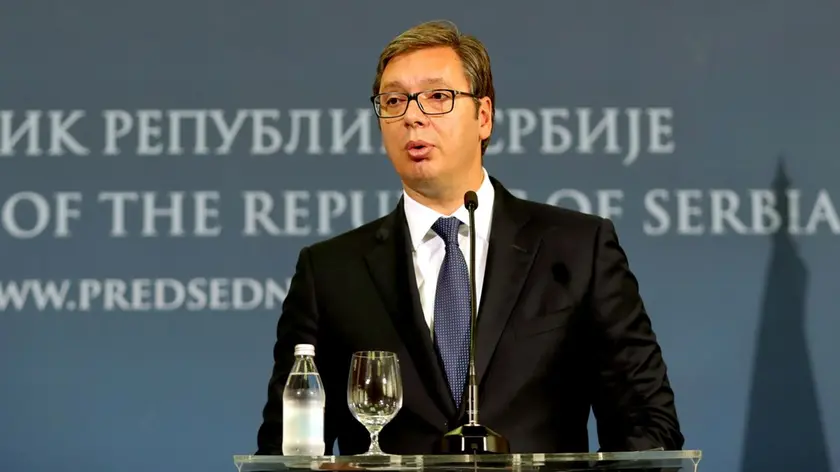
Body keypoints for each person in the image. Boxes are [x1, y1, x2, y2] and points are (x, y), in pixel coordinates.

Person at [256, 19, 683, 455]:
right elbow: (285, 448)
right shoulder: (331, 272)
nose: (413, 116)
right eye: (394, 100)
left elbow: (646, 420)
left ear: (483, 116)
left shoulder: (575, 250)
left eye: (437, 96)